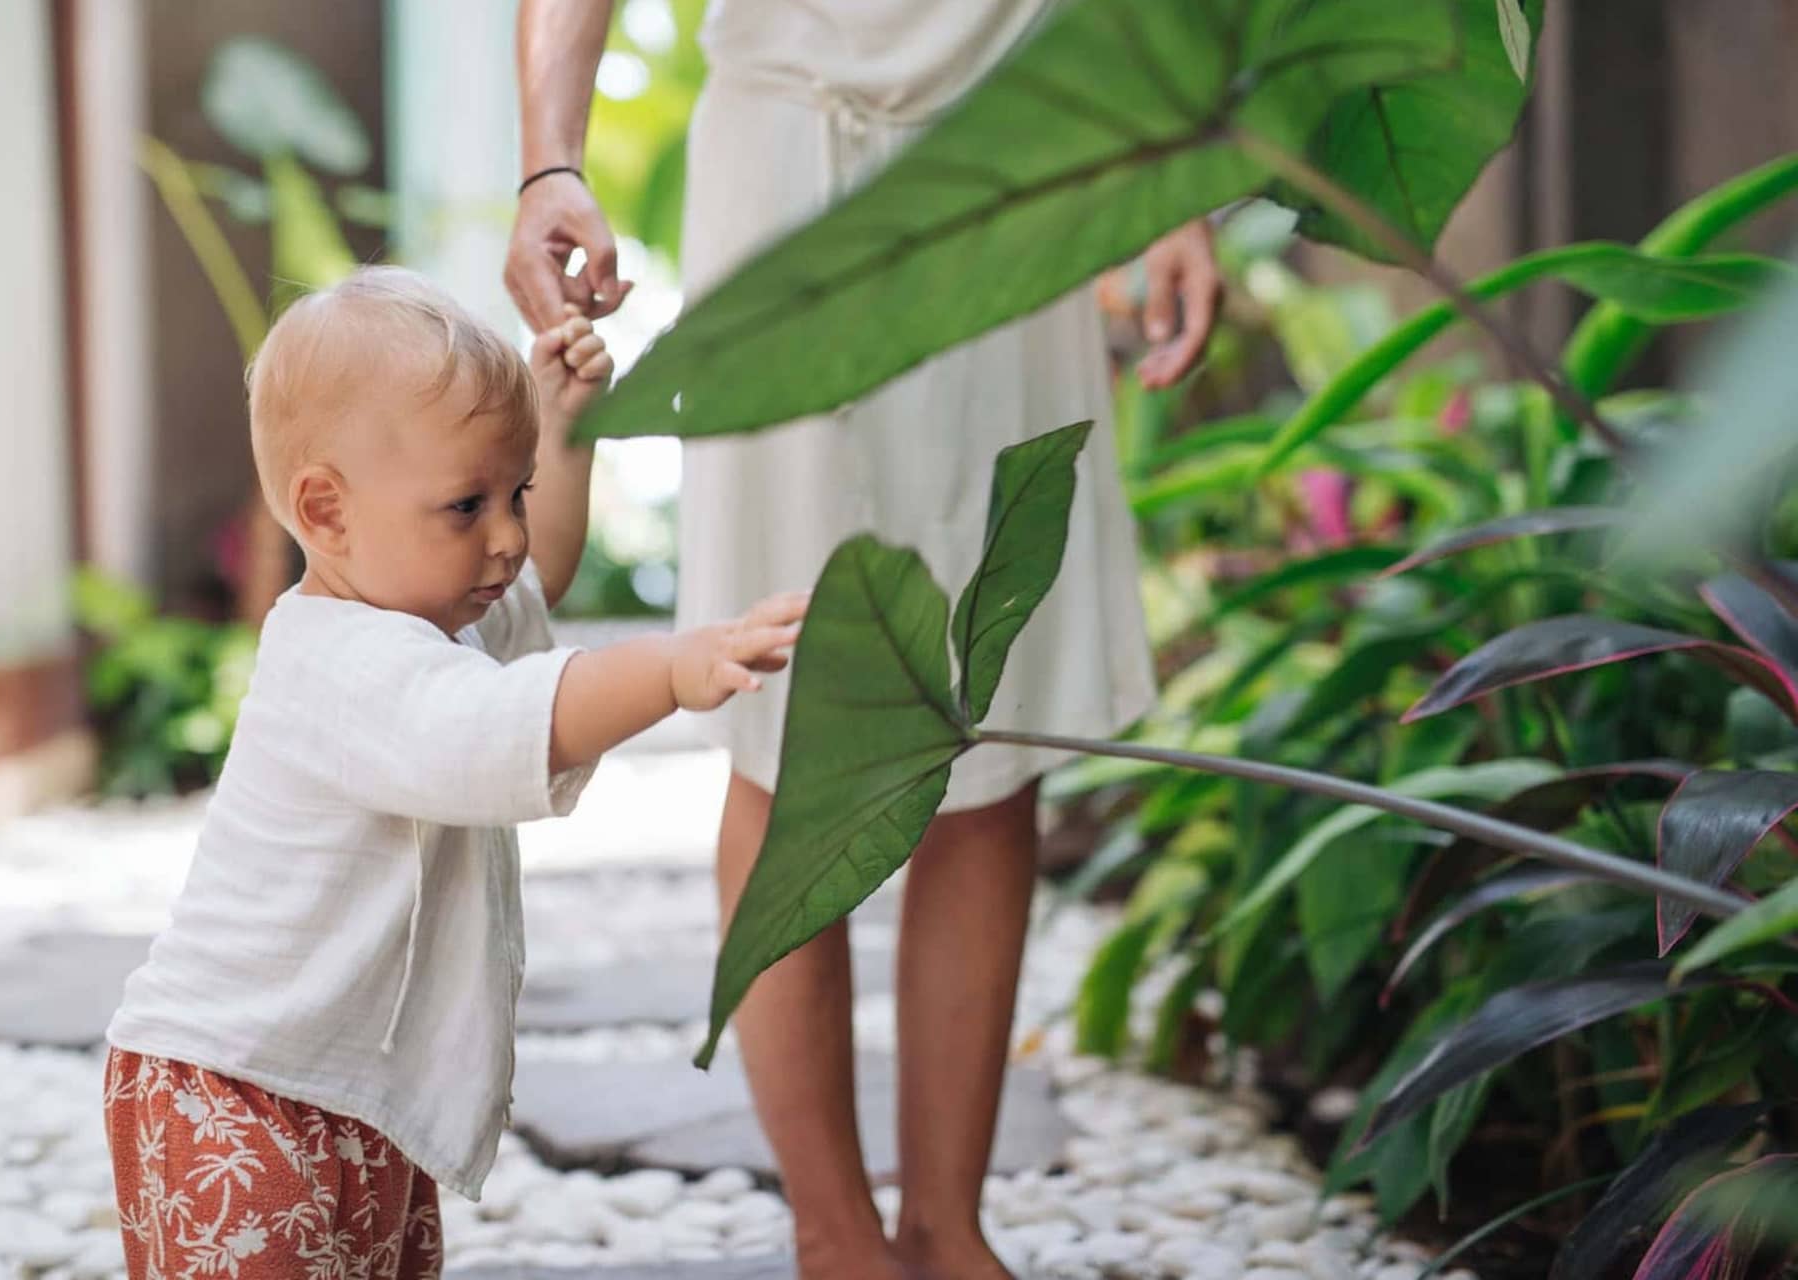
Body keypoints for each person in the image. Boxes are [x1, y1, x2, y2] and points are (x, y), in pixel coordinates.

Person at [507, 5, 1223, 1279]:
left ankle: (950, 1229)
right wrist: (549, 158)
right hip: (786, 161)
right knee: (780, 718)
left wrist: (1171, 168)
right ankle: (833, 1236)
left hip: (1026, 145)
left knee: (990, 718)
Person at [101, 266, 806, 1279]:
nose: (508, 535)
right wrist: (672, 666)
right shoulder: (337, 660)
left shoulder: (435, 619)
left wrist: (564, 429)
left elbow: (542, 578)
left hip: (351, 1087)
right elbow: (506, 722)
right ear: (327, 512)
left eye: (512, 492)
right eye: (467, 503)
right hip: (231, 1088)